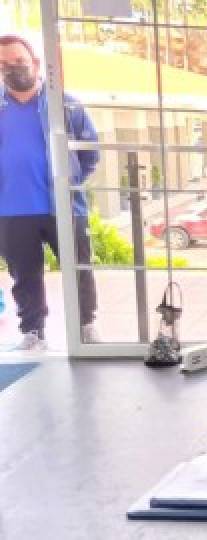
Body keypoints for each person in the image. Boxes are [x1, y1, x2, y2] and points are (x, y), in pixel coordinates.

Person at [0, 34, 100, 351]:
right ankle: (33, 333)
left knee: (79, 270)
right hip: (12, 209)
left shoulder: (65, 103)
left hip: (64, 206)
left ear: (36, 64)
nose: (13, 68)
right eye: (4, 64)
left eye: (19, 61)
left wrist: (69, 183)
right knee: (24, 276)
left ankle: (86, 327)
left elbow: (90, 152)